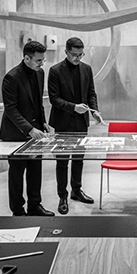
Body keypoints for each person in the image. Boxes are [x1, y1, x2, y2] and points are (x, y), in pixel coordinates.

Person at [0, 40, 54, 216]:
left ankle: (35, 206)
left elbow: (38, 102)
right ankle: (18, 210)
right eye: (38, 60)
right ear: (26, 58)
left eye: (43, 60)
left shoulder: (40, 73)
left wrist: (43, 122)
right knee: (17, 174)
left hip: (36, 132)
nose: (42, 63)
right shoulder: (11, 77)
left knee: (35, 171)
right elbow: (10, 109)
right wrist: (30, 129)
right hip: (15, 133)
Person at [48, 37, 103, 215]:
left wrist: (95, 111)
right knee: (62, 161)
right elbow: (54, 99)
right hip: (62, 122)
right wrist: (74, 107)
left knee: (79, 159)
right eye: (74, 54)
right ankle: (62, 196)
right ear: (66, 52)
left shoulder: (86, 69)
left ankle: (76, 191)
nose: (77, 58)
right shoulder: (55, 70)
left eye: (81, 54)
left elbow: (91, 93)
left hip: (81, 123)